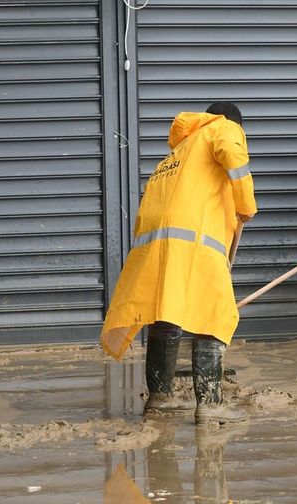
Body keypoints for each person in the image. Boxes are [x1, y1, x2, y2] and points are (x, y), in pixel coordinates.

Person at [100, 102, 256, 425]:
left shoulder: (179, 152)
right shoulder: (223, 128)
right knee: (215, 313)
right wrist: (246, 205)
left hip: (158, 243)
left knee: (165, 314)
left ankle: (160, 397)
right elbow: (232, 152)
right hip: (193, 239)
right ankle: (211, 404)